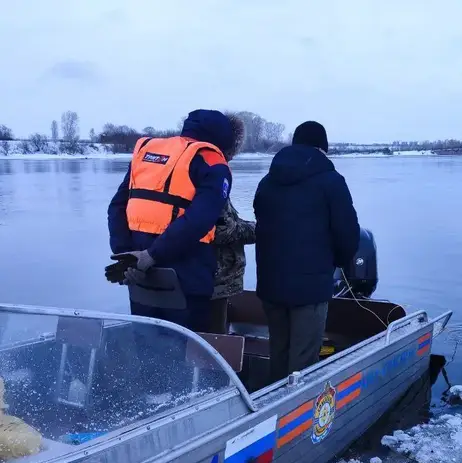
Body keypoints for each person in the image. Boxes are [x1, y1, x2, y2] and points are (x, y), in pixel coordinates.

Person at [107, 109, 236, 333]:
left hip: (140, 275)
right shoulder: (213, 161)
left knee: (147, 348)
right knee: (187, 354)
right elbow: (199, 220)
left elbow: (117, 207)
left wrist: (126, 256)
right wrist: (152, 256)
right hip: (187, 278)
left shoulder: (147, 152)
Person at [254, 121, 360, 382]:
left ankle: (271, 412)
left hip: (270, 283)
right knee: (303, 362)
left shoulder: (268, 181)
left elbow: (260, 218)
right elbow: (348, 233)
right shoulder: (331, 181)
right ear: (322, 148)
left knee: (278, 351)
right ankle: (296, 418)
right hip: (310, 288)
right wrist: (337, 263)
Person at [211, 124, 256, 333]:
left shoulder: (188, 169)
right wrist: (262, 230)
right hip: (215, 281)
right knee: (213, 341)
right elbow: (223, 230)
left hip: (198, 277)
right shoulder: (212, 173)